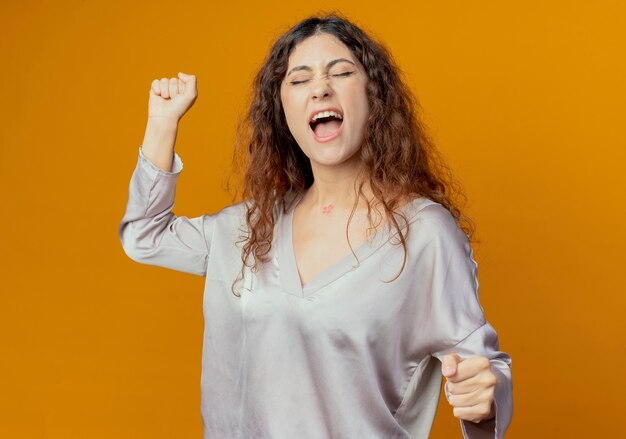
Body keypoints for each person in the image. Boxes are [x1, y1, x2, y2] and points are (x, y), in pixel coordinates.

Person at [118, 13, 512, 439]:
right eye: (299, 79)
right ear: (282, 110)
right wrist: (162, 123)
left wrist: (485, 401)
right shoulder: (250, 227)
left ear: (374, 96)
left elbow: (482, 369)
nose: (321, 87)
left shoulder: (424, 235)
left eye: (341, 72)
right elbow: (145, 235)